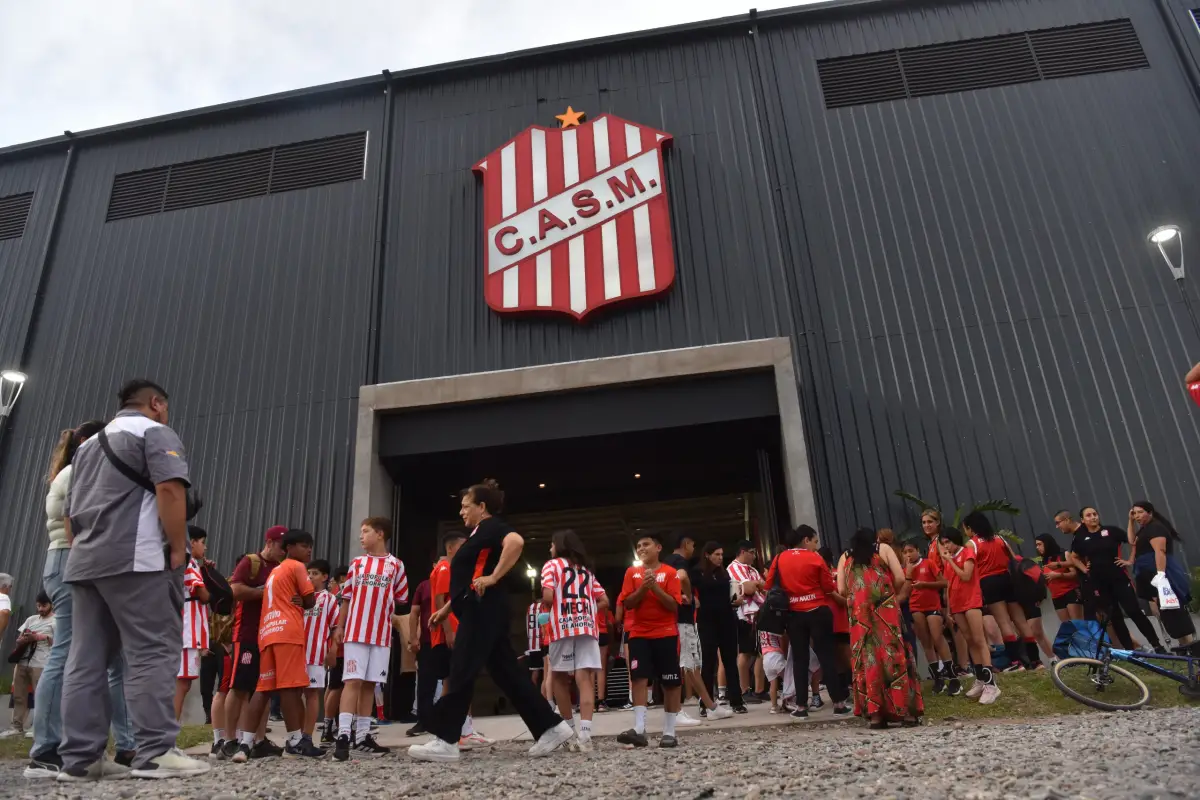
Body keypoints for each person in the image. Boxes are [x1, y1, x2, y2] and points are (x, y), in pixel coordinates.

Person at [58, 379, 209, 780]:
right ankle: (155, 752)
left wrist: (82, 552)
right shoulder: (153, 432)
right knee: (152, 651)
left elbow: (70, 513)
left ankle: (81, 759)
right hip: (137, 559)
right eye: (165, 407)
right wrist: (176, 547)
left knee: (86, 659)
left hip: (85, 561)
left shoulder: (87, 446)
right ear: (156, 403)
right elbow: (170, 490)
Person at [408, 479, 572, 762]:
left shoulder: (492, 527)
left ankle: (446, 739)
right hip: (481, 609)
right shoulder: (478, 534)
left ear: (482, 507)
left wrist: (494, 577)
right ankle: (551, 727)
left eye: (465, 506)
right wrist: (447, 608)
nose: (461, 511)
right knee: (507, 673)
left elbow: (516, 542)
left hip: (482, 611)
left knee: (461, 669)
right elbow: (471, 579)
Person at [26, 421, 136, 780]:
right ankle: (46, 749)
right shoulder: (78, 471)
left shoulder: (77, 471)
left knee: (113, 657)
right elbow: (81, 521)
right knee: (69, 650)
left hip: (82, 562)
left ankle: (127, 745)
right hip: (71, 561)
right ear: (89, 443)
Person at [231, 530, 322, 760]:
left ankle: (245, 744)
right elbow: (310, 600)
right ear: (289, 548)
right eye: (304, 545)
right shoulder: (296, 566)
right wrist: (305, 600)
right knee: (290, 688)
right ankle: (295, 742)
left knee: (263, 689)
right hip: (287, 632)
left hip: (267, 632)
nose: (309, 550)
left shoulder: (274, 572)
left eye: (310, 546)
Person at [331, 517, 409, 761]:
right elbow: (346, 598)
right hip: (356, 632)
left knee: (370, 684)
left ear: (380, 534)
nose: (361, 536)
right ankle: (343, 735)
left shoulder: (396, 565)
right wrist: (339, 626)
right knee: (352, 680)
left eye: (365, 531)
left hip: (381, 635)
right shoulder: (357, 563)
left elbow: (401, 598)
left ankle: (363, 737)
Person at [837, 528, 922, 728]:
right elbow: (900, 578)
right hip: (886, 613)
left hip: (860, 618)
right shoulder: (882, 549)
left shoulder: (845, 557)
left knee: (868, 660)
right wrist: (887, 593)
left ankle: (876, 716)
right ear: (874, 539)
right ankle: (906, 713)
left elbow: (841, 589)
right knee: (894, 655)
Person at [765, 526, 851, 719]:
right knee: (826, 657)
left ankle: (801, 707)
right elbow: (828, 587)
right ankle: (838, 704)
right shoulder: (815, 558)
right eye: (814, 541)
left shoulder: (779, 558)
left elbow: (769, 584)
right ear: (805, 540)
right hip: (818, 611)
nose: (815, 545)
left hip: (794, 614)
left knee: (799, 659)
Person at [220, 526, 287, 760]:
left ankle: (258, 740)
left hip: (269, 634)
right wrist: (266, 592)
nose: (283, 551)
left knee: (263, 688)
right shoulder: (251, 562)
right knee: (239, 687)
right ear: (269, 542)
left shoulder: (280, 567)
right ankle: (229, 740)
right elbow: (235, 590)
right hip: (247, 634)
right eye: (281, 546)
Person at [614, 532, 684, 748]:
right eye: (638, 546)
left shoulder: (670, 573)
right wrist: (644, 587)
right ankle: (639, 729)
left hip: (666, 633)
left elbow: (673, 605)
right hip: (639, 634)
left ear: (658, 548)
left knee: (671, 681)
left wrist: (654, 587)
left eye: (646, 544)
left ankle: (669, 732)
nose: (641, 549)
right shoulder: (631, 573)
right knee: (638, 678)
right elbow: (627, 603)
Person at [540, 529, 607, 751]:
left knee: (559, 677)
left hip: (561, 627)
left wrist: (549, 611)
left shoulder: (551, 566)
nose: (550, 548)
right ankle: (586, 736)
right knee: (584, 678)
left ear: (559, 545)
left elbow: (548, 595)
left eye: (552, 544)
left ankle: (569, 733)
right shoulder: (585, 570)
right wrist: (586, 610)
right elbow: (604, 600)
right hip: (586, 626)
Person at [1064, 508, 1164, 652]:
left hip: (1119, 579)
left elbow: (1133, 542)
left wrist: (1130, 560)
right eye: (1088, 515)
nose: (1093, 517)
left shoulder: (1111, 531)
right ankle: (1129, 650)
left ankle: (1157, 645)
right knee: (1115, 617)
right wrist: (1084, 569)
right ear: (1083, 520)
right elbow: (1074, 557)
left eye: (1095, 514)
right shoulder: (1080, 538)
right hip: (1100, 583)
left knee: (1134, 611)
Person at [429, 530, 491, 749]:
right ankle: (458, 731)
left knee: (457, 681)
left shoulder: (447, 568)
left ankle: (460, 729)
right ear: (450, 548)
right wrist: (449, 631)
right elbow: (440, 600)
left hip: (453, 632)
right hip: (451, 634)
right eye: (462, 547)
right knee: (457, 681)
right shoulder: (445, 568)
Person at [663, 533, 731, 724]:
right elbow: (682, 577)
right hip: (682, 620)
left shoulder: (666, 562)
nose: (694, 550)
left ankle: (710, 706)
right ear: (686, 544)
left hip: (677, 619)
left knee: (690, 665)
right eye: (692, 545)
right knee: (685, 664)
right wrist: (688, 595)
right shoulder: (679, 561)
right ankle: (676, 711)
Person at [938, 527, 1000, 704]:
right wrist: (949, 610)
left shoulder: (967, 552)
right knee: (970, 641)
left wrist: (950, 561)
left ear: (955, 540)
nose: (946, 546)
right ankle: (980, 678)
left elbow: (966, 576)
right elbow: (949, 585)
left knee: (979, 640)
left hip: (971, 601)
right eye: (943, 543)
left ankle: (991, 684)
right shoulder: (949, 560)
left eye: (948, 542)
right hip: (957, 604)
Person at [1128, 502, 1195, 646]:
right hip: (1148, 574)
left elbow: (1160, 551)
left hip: (1161, 573)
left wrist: (1161, 575)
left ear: (1150, 512)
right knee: (1166, 612)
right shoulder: (1144, 530)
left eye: (1140, 512)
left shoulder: (1155, 528)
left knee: (1174, 610)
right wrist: (1130, 521)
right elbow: (1132, 541)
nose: (1137, 516)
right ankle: (1183, 645)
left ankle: (1190, 646)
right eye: (1134, 513)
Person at [692, 542, 748, 714]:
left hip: (727, 620)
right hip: (707, 621)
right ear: (707, 555)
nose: (720, 558)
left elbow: (730, 595)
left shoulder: (724, 574)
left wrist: (736, 601)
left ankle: (736, 701)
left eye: (722, 554)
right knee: (708, 663)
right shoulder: (698, 572)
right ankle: (706, 703)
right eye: (716, 554)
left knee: (730, 661)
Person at [902, 541, 959, 696]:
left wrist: (925, 585)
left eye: (910, 550)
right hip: (915, 607)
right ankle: (937, 679)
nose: (908, 555)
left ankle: (953, 677)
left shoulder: (928, 563)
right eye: (905, 552)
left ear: (917, 550)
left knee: (937, 637)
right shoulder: (904, 570)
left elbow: (944, 583)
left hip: (932, 605)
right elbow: (904, 592)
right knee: (926, 642)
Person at [3, 591, 55, 738]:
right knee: (19, 695)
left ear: (51, 605)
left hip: (42, 662)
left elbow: (59, 642)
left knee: (41, 696)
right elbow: (19, 639)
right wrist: (23, 639)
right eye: (38, 606)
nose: (41, 609)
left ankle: (37, 727)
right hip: (23, 661)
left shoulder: (57, 621)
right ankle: (16, 726)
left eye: (44, 606)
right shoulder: (31, 619)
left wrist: (40, 637)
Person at [176, 526, 211, 721]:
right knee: (181, 683)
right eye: (203, 543)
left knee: (184, 682)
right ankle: (169, 730)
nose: (205, 548)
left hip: (189, 631)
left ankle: (170, 728)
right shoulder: (189, 564)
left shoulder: (190, 564)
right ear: (192, 542)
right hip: (187, 632)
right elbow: (203, 595)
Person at [726, 540, 766, 705]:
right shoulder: (733, 568)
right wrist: (756, 585)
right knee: (745, 652)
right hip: (743, 615)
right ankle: (744, 689)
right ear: (743, 552)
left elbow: (764, 586)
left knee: (761, 652)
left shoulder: (753, 569)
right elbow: (748, 589)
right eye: (752, 552)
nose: (754, 556)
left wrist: (756, 584)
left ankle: (759, 689)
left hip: (759, 613)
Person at [303, 559, 338, 744]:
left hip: (316, 654)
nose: (310, 577)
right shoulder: (300, 597)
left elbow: (335, 627)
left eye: (315, 573)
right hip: (296, 653)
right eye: (308, 573)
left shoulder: (329, 599)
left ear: (325, 577)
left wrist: (332, 651)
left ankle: (307, 737)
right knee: (293, 695)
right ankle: (295, 735)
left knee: (312, 694)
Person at [322, 564, 350, 743]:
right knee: (337, 687)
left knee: (334, 686)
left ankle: (330, 726)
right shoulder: (341, 597)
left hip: (338, 646)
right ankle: (328, 728)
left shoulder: (334, 596)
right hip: (341, 646)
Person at [406, 574, 433, 738]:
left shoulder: (456, 580)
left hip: (450, 639)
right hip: (428, 639)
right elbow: (414, 613)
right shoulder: (424, 586)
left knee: (453, 680)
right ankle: (423, 721)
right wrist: (413, 638)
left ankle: (460, 722)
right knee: (425, 683)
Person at [1036, 534, 1083, 622]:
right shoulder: (1044, 560)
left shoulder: (1064, 554)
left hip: (1070, 592)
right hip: (1056, 596)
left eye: (1039, 544)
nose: (1037, 547)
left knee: (1078, 623)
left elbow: (1075, 574)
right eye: (1036, 545)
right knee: (1067, 626)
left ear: (1047, 544)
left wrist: (1058, 575)